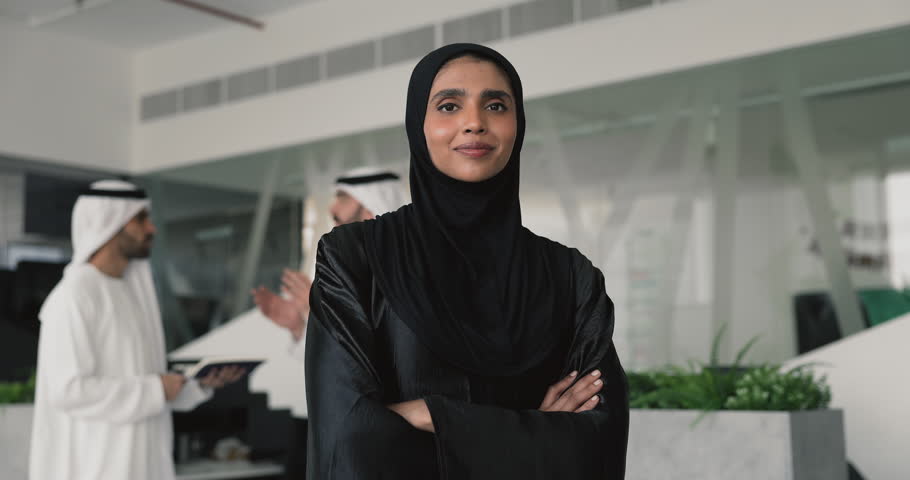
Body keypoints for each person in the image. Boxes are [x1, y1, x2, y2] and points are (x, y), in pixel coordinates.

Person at [304, 44, 629, 479]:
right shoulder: (356, 258)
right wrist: (535, 432)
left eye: (496, 105)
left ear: (518, 125)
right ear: (418, 124)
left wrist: (432, 417)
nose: (474, 122)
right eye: (449, 105)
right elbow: (347, 440)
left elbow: (598, 445)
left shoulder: (571, 277)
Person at [29, 180, 244, 480]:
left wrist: (199, 384)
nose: (151, 229)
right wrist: (157, 388)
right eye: (141, 219)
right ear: (109, 222)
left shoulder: (133, 294)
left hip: (142, 464)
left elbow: (144, 386)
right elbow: (69, 391)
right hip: (96, 467)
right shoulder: (74, 295)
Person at [252, 167, 407, 347]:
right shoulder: (352, 271)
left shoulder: (403, 271)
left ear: (371, 207)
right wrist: (301, 327)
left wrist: (317, 311)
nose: (332, 208)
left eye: (342, 197)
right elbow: (340, 364)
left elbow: (389, 354)